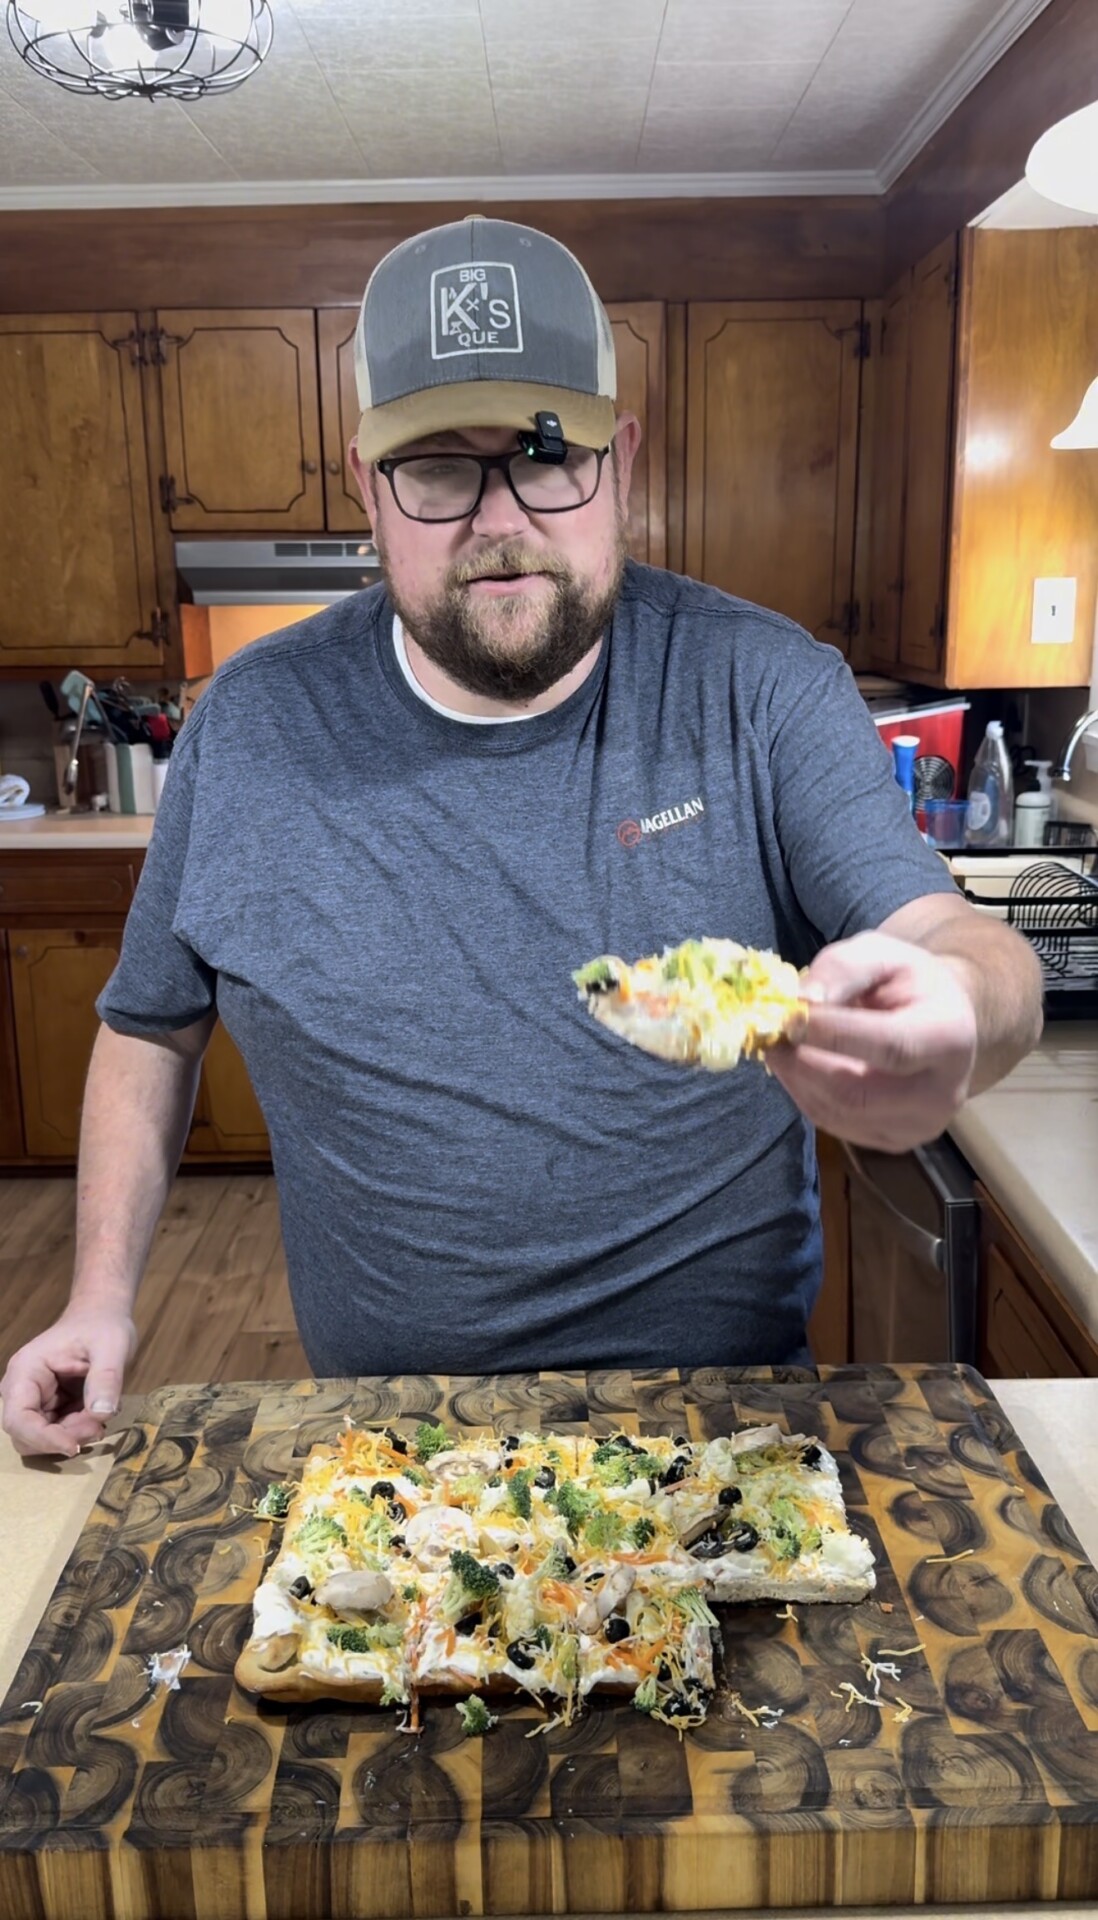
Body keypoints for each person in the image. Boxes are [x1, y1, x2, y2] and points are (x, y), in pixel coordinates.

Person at [1, 217, 1042, 1458]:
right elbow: (148, 1024)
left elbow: (961, 939)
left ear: (623, 458)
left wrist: (961, 1011)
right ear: (363, 482)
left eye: (549, 455)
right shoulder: (250, 728)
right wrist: (99, 1300)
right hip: (386, 1457)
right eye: (438, 466)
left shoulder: (761, 688)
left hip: (720, 1438)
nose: (501, 519)